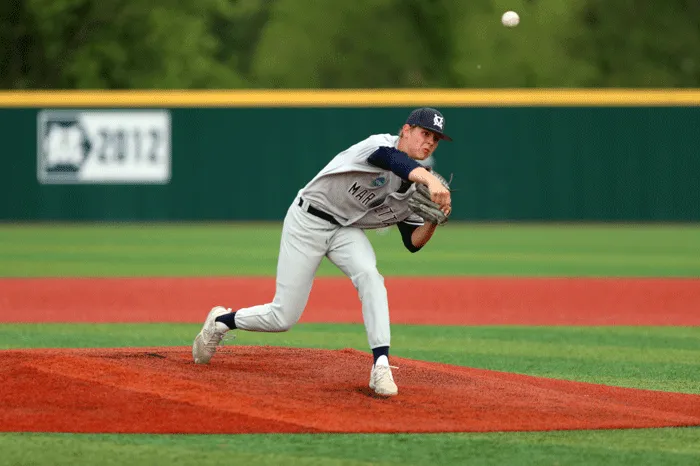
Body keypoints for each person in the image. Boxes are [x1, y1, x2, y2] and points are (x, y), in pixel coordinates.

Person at [192, 107, 453, 397]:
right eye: (424, 133)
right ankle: (220, 322)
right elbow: (391, 161)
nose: (429, 142)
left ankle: (381, 364)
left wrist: (433, 220)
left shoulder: (416, 186)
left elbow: (413, 242)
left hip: (345, 229)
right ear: (406, 130)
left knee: (370, 275)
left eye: (436, 139)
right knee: (283, 318)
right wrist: (429, 180)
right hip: (308, 220)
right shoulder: (379, 145)